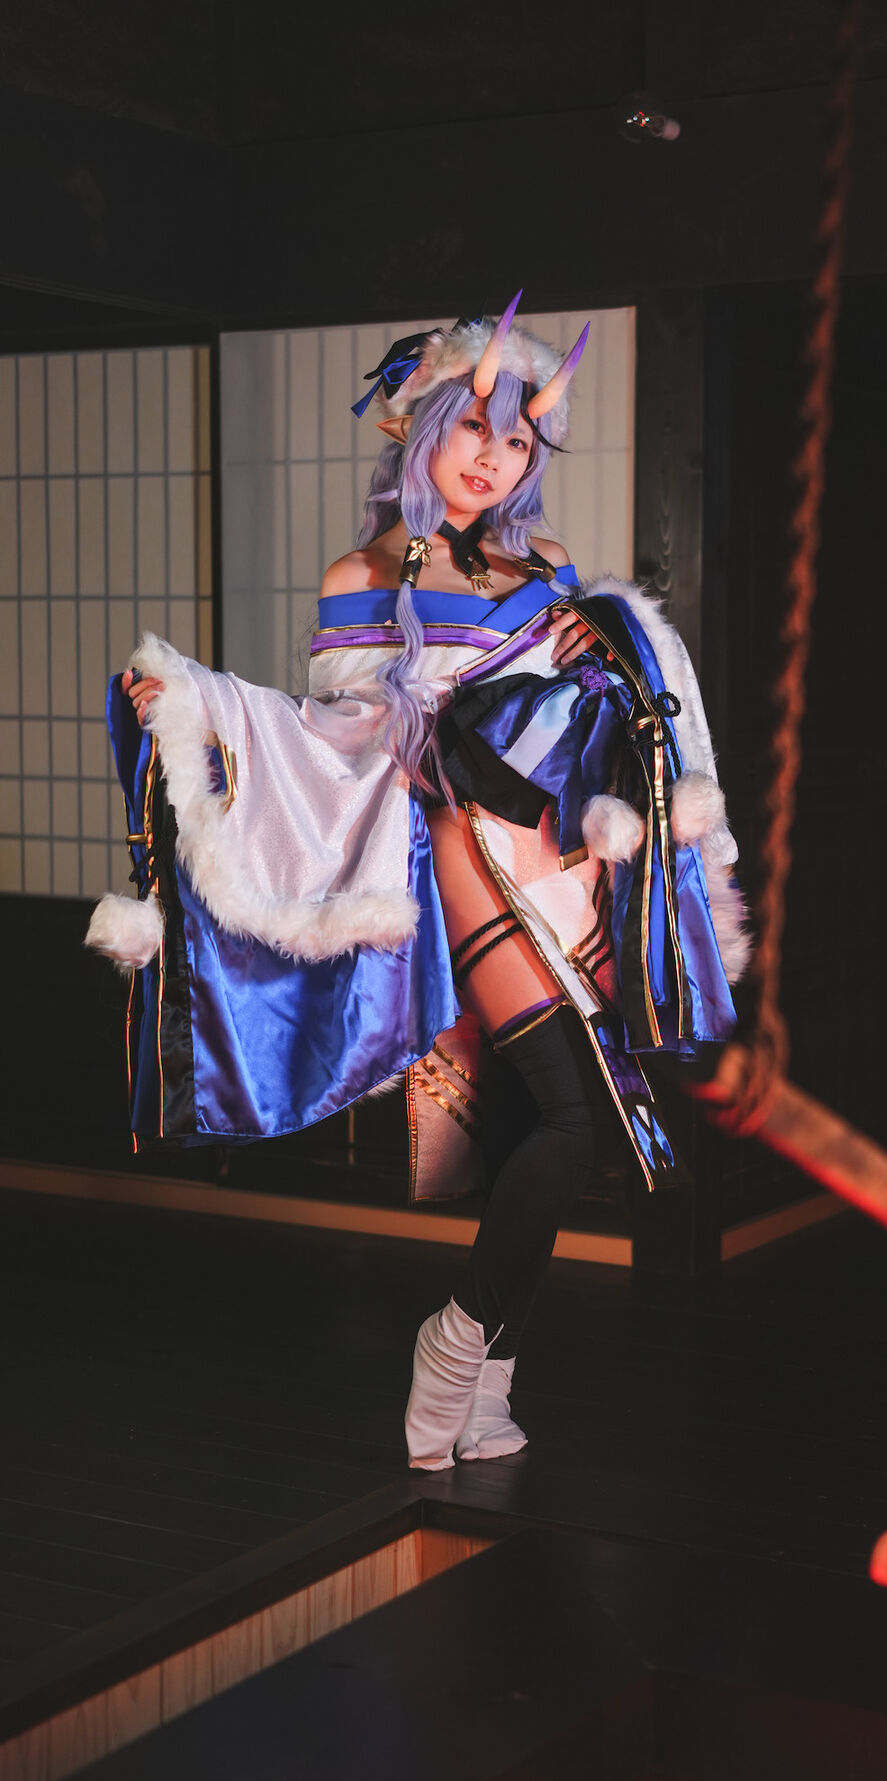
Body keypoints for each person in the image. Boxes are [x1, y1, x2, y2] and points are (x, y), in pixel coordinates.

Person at [88, 296, 748, 1471]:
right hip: (461, 847)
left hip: (563, 858)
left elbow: (585, 709)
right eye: (475, 429)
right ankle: (452, 1346)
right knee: (572, 1111)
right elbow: (336, 735)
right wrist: (194, 702)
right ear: (426, 426)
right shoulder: (363, 572)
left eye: (517, 441)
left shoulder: (546, 564)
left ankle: (485, 1387)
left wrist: (602, 653)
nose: (493, 458)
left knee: (544, 1130)